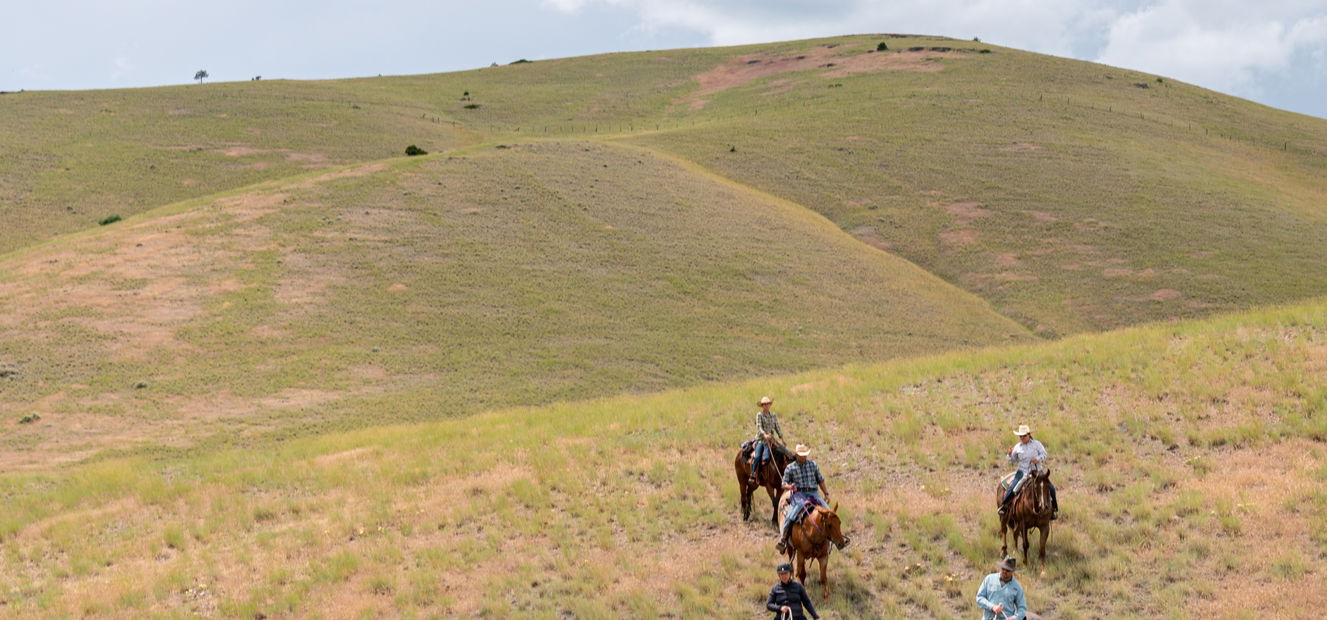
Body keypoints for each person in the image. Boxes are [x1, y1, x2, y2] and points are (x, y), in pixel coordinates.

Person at [776, 444, 830, 553]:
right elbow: (783, 484)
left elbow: (820, 479)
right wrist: (790, 487)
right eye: (801, 455)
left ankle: (833, 539)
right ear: (796, 455)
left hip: (813, 493)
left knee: (829, 513)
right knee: (792, 515)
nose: (804, 457)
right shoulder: (790, 468)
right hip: (799, 494)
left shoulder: (813, 465)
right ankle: (784, 538)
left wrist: (826, 493)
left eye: (805, 455)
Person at [998, 425, 1058, 519]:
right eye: (1020, 436)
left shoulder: (1037, 444)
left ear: (1029, 435)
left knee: (1051, 488)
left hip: (1037, 472)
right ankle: (1004, 506)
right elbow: (1013, 460)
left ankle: (1053, 509)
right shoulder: (1017, 447)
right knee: (1013, 488)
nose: (1022, 438)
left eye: (1024, 436)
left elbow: (1044, 454)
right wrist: (1009, 454)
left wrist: (1037, 459)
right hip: (1022, 472)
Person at [750, 396, 787, 484]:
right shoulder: (759, 415)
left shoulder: (773, 415)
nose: (766, 406)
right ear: (762, 406)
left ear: (770, 405)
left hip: (771, 440)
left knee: (783, 453)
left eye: (768, 404)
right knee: (758, 456)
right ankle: (753, 473)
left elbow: (777, 427)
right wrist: (764, 435)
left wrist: (782, 438)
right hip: (761, 440)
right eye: (764, 404)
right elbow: (759, 427)